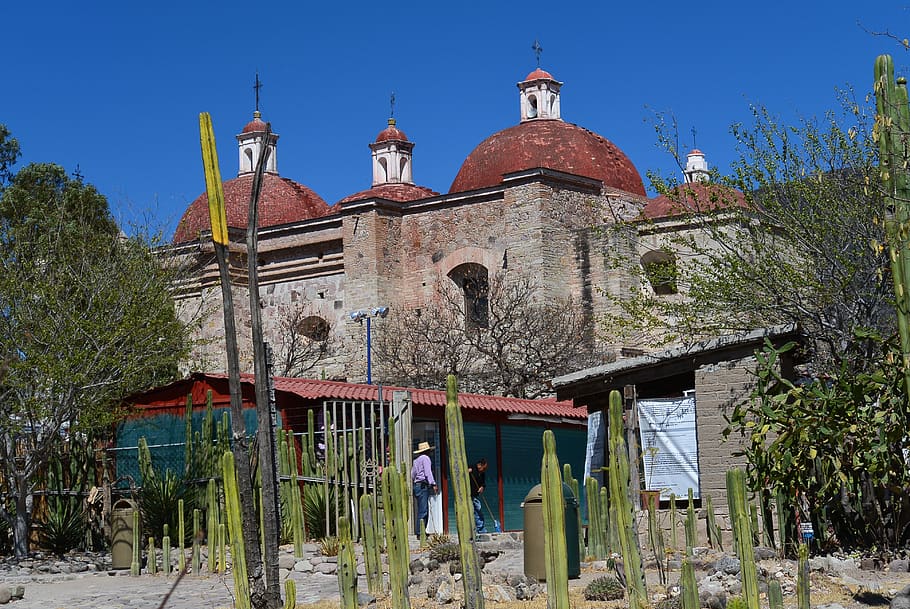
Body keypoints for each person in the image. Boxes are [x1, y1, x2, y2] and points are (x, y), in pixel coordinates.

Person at [411, 441, 437, 535]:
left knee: (421, 508)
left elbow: (413, 474)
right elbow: (428, 472)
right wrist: (433, 483)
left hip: (417, 485)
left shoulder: (416, 460)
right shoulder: (425, 458)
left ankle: (420, 530)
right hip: (422, 485)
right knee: (424, 510)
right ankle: (420, 532)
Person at [469, 458, 489, 534]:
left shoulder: (482, 473)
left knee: (477, 511)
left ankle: (480, 529)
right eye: (483, 468)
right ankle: (480, 529)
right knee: (477, 511)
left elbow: (483, 484)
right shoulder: (472, 468)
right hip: (470, 495)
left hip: (475, 495)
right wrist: (468, 471)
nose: (484, 470)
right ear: (479, 465)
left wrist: (482, 487)